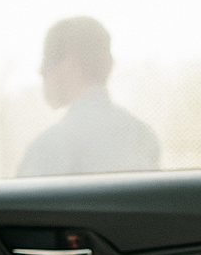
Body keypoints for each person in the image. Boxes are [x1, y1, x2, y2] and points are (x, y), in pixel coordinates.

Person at [17, 16, 160, 177]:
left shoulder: (50, 147)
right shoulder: (144, 137)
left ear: (70, 66)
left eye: (46, 62)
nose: (40, 71)